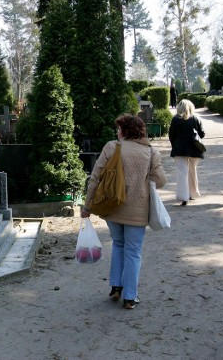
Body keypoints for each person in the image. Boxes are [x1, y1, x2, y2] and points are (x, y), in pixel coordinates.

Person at [81, 114, 166, 310]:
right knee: (133, 252)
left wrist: (88, 206)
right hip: (137, 210)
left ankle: (116, 287)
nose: (116, 132)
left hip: (112, 207)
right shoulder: (151, 152)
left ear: (124, 131)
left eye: (119, 128)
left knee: (118, 244)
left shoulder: (112, 147)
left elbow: (95, 177)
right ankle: (130, 296)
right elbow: (160, 180)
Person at [169, 99, 205, 206]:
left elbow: (171, 136)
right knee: (192, 171)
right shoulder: (195, 119)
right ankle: (193, 193)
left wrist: (174, 145)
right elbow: (202, 134)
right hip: (194, 149)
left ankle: (184, 196)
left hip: (179, 149)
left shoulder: (175, 119)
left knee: (182, 173)